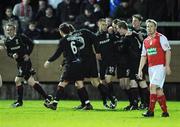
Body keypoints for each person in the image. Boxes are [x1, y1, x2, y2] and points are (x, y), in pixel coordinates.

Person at [44, 23, 93, 110]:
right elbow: (79, 45)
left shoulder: (63, 40)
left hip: (70, 65)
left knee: (62, 83)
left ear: (61, 31)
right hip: (78, 64)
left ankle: (54, 104)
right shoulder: (74, 39)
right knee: (80, 84)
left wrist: (49, 61)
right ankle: (88, 104)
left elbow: (57, 53)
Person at [68, 24, 117, 109]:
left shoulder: (70, 38)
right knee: (96, 82)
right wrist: (97, 51)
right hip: (91, 60)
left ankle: (85, 104)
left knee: (78, 83)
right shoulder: (84, 31)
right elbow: (95, 38)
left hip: (81, 61)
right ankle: (112, 98)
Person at [3, 23, 52, 108]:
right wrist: (12, 55)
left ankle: (19, 101)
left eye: (11, 29)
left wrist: (27, 54)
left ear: (14, 30)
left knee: (17, 80)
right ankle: (47, 97)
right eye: (7, 30)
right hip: (19, 63)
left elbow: (31, 44)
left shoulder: (21, 37)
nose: (9, 31)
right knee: (31, 82)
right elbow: (8, 53)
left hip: (25, 62)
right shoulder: (7, 41)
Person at [137, 19, 171, 117]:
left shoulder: (161, 37)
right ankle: (165, 112)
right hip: (151, 68)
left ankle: (150, 111)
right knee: (158, 90)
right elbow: (143, 56)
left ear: (155, 27)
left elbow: (168, 51)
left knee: (152, 87)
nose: (149, 28)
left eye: (151, 26)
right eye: (148, 26)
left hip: (160, 66)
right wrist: (140, 70)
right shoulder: (146, 41)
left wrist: (167, 65)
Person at [130, 14, 149, 110]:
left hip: (141, 60)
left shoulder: (144, 32)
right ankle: (135, 104)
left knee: (141, 81)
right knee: (132, 82)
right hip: (132, 61)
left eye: (136, 21)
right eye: (133, 21)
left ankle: (146, 103)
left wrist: (141, 38)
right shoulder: (129, 31)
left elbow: (146, 43)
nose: (134, 22)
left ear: (140, 22)